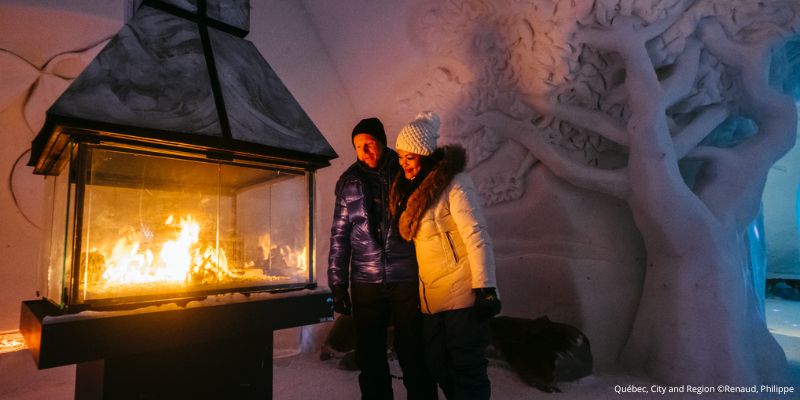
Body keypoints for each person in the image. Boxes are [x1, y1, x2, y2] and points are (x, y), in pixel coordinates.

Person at [389, 111, 501, 400]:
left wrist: (486, 288)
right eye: (400, 158)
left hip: (462, 295)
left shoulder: (455, 184)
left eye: (409, 158)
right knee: (439, 366)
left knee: (466, 369)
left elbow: (477, 235)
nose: (404, 164)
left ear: (424, 155)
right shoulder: (413, 194)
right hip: (432, 299)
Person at [328, 117, 438, 400]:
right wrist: (338, 284)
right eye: (358, 146)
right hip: (365, 281)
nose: (364, 152)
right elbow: (339, 235)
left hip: (406, 278)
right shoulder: (349, 182)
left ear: (382, 142)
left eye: (369, 144)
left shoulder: (405, 172)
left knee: (413, 349)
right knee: (370, 354)